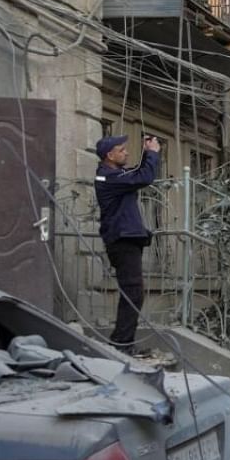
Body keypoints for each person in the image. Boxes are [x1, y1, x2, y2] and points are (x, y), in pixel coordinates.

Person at [94, 133, 161, 355]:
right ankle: (121, 345)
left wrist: (146, 153)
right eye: (122, 150)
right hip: (122, 241)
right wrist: (152, 154)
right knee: (133, 293)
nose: (126, 152)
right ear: (109, 155)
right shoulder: (107, 178)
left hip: (127, 239)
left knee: (133, 292)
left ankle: (123, 342)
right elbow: (142, 178)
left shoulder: (116, 174)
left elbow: (136, 174)